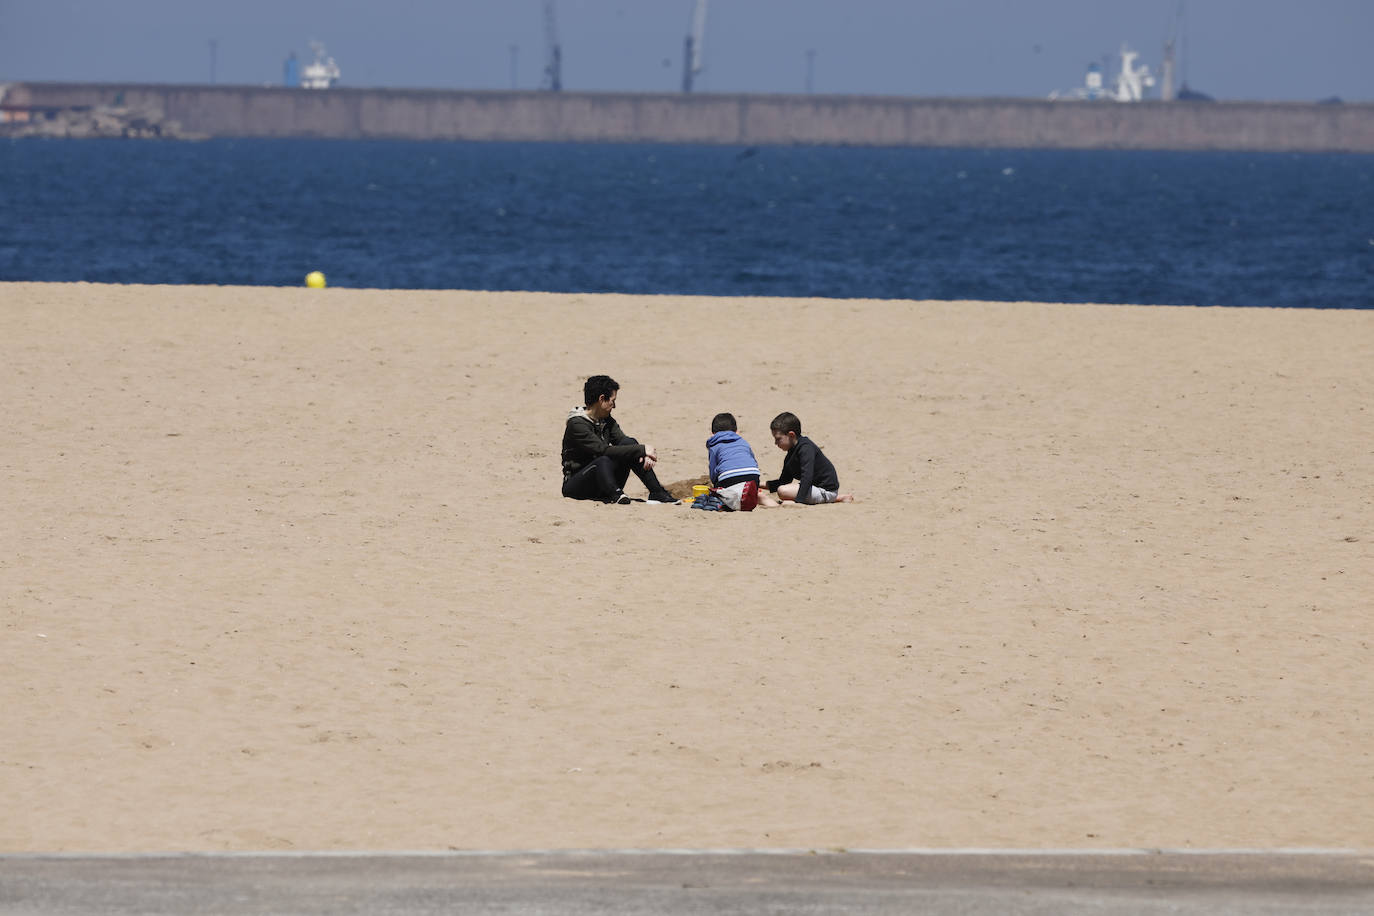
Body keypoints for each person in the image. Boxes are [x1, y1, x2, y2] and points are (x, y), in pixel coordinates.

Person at [561, 375, 679, 504]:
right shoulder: (577, 424)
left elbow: (625, 442)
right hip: (577, 486)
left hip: (603, 481)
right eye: (613, 400)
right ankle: (616, 494)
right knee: (603, 459)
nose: (614, 405)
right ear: (602, 399)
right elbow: (602, 450)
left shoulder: (606, 420)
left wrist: (642, 454)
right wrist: (643, 449)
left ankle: (657, 492)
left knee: (630, 443)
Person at [764, 411, 853, 505]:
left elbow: (807, 477)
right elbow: (783, 481)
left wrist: (798, 502)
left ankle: (830, 498)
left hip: (825, 490)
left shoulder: (806, 448)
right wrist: (756, 484)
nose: (775, 443)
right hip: (815, 489)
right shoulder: (791, 453)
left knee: (783, 491)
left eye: (778, 439)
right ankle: (836, 498)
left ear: (791, 435)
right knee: (783, 489)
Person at [705, 413, 772, 511]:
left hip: (729, 479)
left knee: (717, 495)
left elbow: (713, 469)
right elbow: (753, 461)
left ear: (713, 433)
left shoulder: (715, 445)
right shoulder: (743, 442)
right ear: (736, 431)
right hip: (753, 477)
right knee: (751, 495)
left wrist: (715, 485)